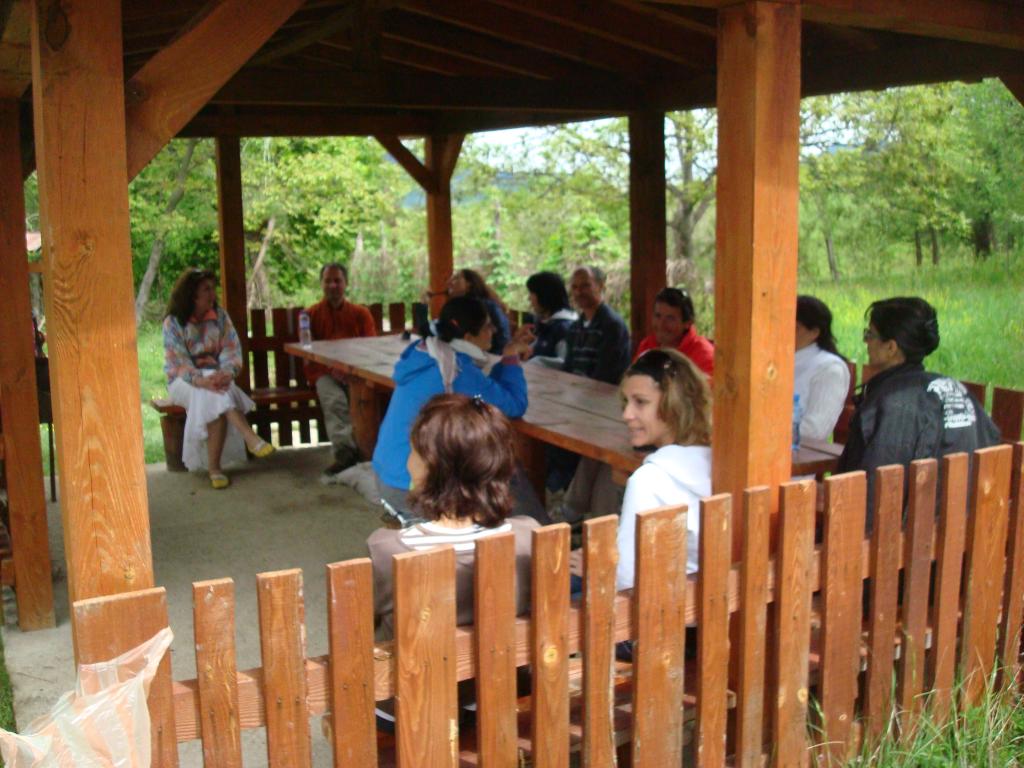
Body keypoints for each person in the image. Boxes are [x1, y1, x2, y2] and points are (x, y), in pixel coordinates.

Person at [367, 394, 537, 641]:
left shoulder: (386, 551)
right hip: (508, 664)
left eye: (413, 452)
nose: (408, 463)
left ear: (430, 467)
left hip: (420, 666)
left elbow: (362, 627)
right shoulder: (528, 536)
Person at [371, 295, 532, 520]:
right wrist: (511, 358)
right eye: (488, 326)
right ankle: (534, 531)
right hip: (410, 487)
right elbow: (514, 405)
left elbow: (485, 390)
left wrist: (506, 358)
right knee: (499, 466)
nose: (494, 330)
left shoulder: (427, 353)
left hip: (386, 476)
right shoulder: (456, 370)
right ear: (468, 337)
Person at [836, 296, 1001, 511]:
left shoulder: (892, 403)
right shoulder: (955, 389)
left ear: (891, 347)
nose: (866, 342)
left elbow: (876, 491)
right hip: (966, 521)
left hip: (907, 528)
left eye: (870, 335)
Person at [163, 268, 274, 489]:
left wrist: (226, 373)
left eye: (213, 288)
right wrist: (200, 379)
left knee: (213, 398)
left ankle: (215, 469)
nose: (213, 294)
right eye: (207, 289)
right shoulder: (173, 322)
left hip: (216, 380)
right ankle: (249, 437)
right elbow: (178, 362)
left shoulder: (220, 316)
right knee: (212, 393)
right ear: (192, 294)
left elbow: (232, 349)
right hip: (182, 381)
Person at [616, 349, 712, 590]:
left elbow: (626, 578)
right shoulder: (718, 462)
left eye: (640, 402)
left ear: (674, 404)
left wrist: (595, 567)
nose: (627, 414)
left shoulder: (648, 480)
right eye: (626, 402)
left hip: (658, 603)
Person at [303, 262, 377, 479]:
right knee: (334, 400)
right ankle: (345, 456)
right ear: (321, 284)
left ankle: (369, 454)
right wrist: (331, 368)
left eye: (337, 281)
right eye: (328, 281)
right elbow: (307, 354)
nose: (333, 285)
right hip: (323, 373)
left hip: (357, 372)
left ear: (346, 284)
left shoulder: (361, 314)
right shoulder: (309, 315)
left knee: (367, 401)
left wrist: (350, 370)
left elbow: (371, 348)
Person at [793, 295, 850, 441]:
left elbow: (815, 430)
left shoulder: (829, 368)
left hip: (800, 451)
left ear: (814, 333)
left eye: (795, 328)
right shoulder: (768, 362)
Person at [562, 266, 631, 385]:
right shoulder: (574, 328)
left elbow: (605, 376)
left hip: (600, 393)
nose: (579, 292)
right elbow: (568, 369)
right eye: (574, 287)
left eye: (585, 286)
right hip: (575, 390)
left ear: (601, 286)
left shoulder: (612, 325)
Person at [634, 287, 714, 378]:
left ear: (688, 323)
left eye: (670, 318)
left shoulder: (703, 354)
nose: (661, 324)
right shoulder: (647, 345)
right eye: (657, 316)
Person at [444, 268, 511, 354]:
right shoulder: (466, 305)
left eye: (456, 278)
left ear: (469, 284)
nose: (449, 282)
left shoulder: (481, 306)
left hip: (493, 356)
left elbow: (500, 339)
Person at [522, 271, 577, 367]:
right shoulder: (548, 323)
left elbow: (564, 362)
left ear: (544, 295)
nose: (529, 298)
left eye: (532, 293)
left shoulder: (564, 327)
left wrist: (534, 362)